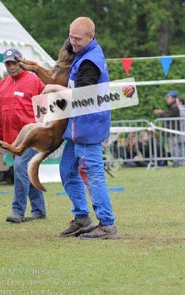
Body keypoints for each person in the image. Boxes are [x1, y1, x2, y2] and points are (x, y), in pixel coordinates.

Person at [42, 17, 119, 239]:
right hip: (77, 128)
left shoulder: (90, 62)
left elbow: (83, 95)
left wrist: (56, 87)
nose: (72, 43)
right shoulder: (82, 52)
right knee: (67, 170)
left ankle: (107, 224)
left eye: (77, 39)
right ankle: (82, 218)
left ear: (90, 37)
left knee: (92, 175)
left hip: (87, 129)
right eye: (71, 37)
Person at [0, 48, 46, 223]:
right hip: (12, 140)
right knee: (27, 170)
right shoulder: (1, 85)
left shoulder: (34, 81)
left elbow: (47, 106)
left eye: (14, 63)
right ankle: (39, 211)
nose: (12, 66)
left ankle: (17, 211)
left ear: (21, 62)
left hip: (32, 137)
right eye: (8, 63)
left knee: (20, 167)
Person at [154, 90, 180, 166]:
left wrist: (161, 113)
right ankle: (175, 161)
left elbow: (169, 116)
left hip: (173, 131)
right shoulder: (172, 107)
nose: (167, 99)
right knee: (172, 147)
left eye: (169, 97)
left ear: (173, 98)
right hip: (171, 131)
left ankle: (176, 162)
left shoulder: (175, 107)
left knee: (173, 147)